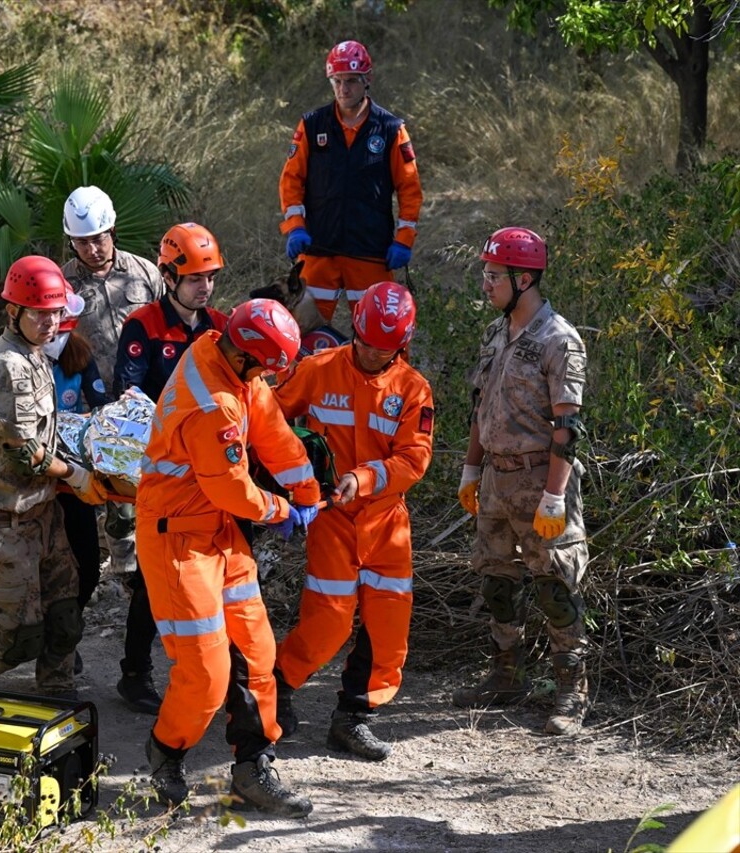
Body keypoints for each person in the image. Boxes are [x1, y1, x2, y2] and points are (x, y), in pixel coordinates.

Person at [137, 298, 320, 817]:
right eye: (265, 367)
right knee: (206, 673)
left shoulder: (231, 363)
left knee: (258, 653)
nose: (265, 376)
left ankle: (253, 768)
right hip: (178, 539)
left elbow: (273, 432)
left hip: (215, 532)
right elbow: (233, 490)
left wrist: (307, 490)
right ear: (246, 357)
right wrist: (283, 509)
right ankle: (167, 752)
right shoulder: (212, 401)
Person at [269, 281, 434, 762]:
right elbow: (270, 417)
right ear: (354, 330)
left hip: (386, 523)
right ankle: (274, 690)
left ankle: (353, 718)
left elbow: (414, 459)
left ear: (400, 346)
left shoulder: (412, 390)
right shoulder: (318, 370)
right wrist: (288, 479)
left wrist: (362, 480)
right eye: (362, 341)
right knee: (328, 624)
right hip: (333, 520)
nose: (368, 353)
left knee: (388, 630)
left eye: (381, 349)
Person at [452, 227, 590, 736]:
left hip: (540, 481)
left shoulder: (560, 341)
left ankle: (571, 690)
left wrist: (555, 496)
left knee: (555, 585)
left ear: (523, 278)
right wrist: (471, 468)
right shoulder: (496, 333)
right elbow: (478, 407)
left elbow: (567, 427)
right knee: (497, 583)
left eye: (493, 276)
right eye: (485, 274)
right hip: (494, 481)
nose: (485, 285)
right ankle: (506, 675)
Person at [0, 256, 108, 698]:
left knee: (65, 619)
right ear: (13, 312)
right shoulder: (8, 366)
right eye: (39, 312)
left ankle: (56, 696)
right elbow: (28, 455)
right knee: (20, 639)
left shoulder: (36, 355)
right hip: (5, 523)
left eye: (56, 312)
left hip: (43, 515)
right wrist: (79, 478)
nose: (50, 322)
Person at [111, 222, 229, 716]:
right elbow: (128, 395)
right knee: (151, 577)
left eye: (211, 276)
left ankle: (219, 675)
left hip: (213, 476)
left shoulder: (221, 328)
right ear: (167, 276)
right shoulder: (143, 326)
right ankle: (135, 673)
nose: (204, 286)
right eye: (195, 278)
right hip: (160, 475)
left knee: (220, 578)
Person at [278, 40, 423, 330]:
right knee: (303, 335)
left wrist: (404, 239)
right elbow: (291, 180)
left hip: (369, 250)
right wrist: (295, 226)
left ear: (367, 80)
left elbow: (410, 188)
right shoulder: (312, 124)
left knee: (381, 332)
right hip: (319, 248)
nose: (344, 89)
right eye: (338, 81)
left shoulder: (390, 129)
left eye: (352, 82)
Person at [60, 186, 163, 575]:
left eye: (98, 239)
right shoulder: (63, 284)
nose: (92, 249)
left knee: (133, 500)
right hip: (85, 410)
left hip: (138, 408)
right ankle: (91, 569)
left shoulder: (144, 274)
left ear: (113, 231)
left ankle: (131, 575)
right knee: (84, 498)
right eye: (82, 242)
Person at [45, 287, 109, 635]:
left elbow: (99, 405)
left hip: (72, 476)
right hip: (29, 478)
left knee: (87, 563)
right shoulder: (12, 358)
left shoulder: (79, 355)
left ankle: (65, 631)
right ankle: (45, 635)